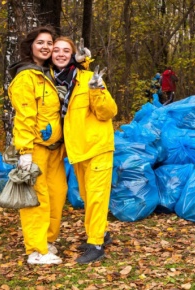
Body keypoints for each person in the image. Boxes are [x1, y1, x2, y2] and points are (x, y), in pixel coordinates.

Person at [51, 36, 117, 264]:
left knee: (97, 198)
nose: (60, 53)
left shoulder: (89, 79)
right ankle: (101, 234)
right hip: (78, 149)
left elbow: (108, 112)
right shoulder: (54, 82)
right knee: (89, 197)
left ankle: (96, 244)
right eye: (55, 50)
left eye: (65, 50)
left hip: (97, 146)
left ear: (71, 54)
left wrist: (98, 90)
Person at [7, 26, 67, 265]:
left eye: (49, 42)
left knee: (57, 194)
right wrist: (25, 152)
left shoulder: (51, 73)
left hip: (55, 150)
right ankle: (36, 250)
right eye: (40, 42)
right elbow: (24, 117)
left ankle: (48, 240)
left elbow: (73, 61)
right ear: (31, 47)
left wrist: (85, 59)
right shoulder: (26, 77)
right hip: (35, 150)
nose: (46, 47)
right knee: (36, 198)